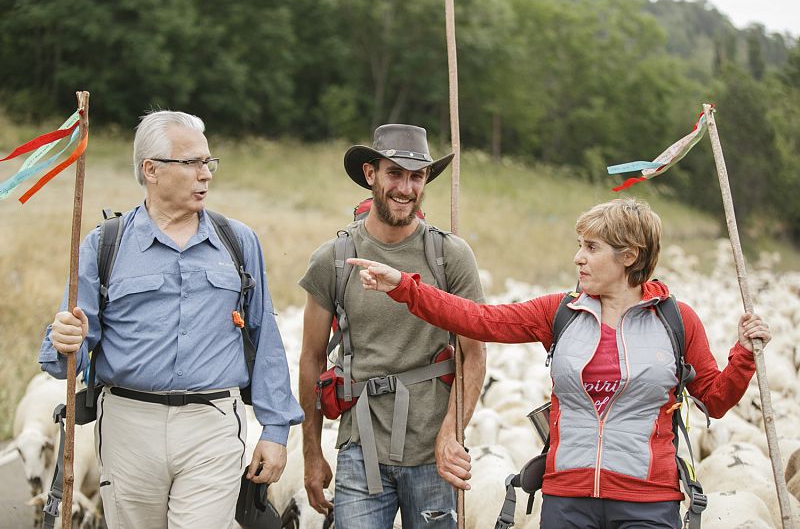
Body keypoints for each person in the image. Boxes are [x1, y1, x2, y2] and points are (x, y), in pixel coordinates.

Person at [349, 198, 772, 529]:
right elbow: (479, 319)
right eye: (579, 246)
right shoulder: (561, 312)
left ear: (629, 255)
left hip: (649, 503)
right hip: (567, 500)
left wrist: (744, 356)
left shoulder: (676, 322)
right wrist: (405, 287)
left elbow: (714, 401)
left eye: (592, 248)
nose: (578, 258)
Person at [39, 110, 303, 529]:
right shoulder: (104, 245)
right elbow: (67, 354)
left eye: (209, 163)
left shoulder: (237, 241)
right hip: (128, 424)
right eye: (193, 163)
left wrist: (275, 430)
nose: (206, 175)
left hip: (213, 423)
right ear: (152, 170)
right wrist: (65, 339)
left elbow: (264, 337)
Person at [298, 124, 487, 528]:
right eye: (394, 173)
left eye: (416, 176)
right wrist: (312, 454)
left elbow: (474, 354)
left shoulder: (449, 256)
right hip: (360, 449)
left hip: (433, 453)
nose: (405, 188)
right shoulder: (334, 259)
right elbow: (311, 359)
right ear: (371, 175)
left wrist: (451, 435)